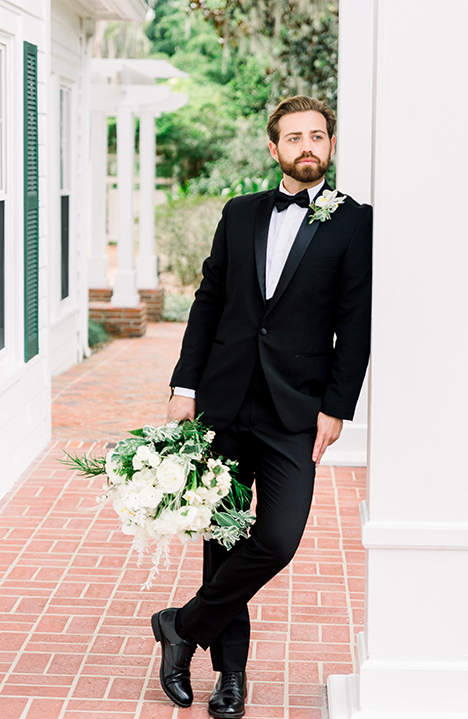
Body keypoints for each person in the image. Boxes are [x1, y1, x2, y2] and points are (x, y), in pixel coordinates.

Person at [151, 95, 372, 719]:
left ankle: (181, 625)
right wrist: (184, 387)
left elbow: (356, 323)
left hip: (295, 409)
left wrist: (337, 407)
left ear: (330, 147)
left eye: (318, 136)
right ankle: (231, 678)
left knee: (276, 539)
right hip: (222, 402)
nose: (308, 146)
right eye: (294, 137)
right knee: (223, 539)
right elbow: (208, 301)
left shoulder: (355, 222)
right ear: (273, 148)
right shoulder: (240, 213)